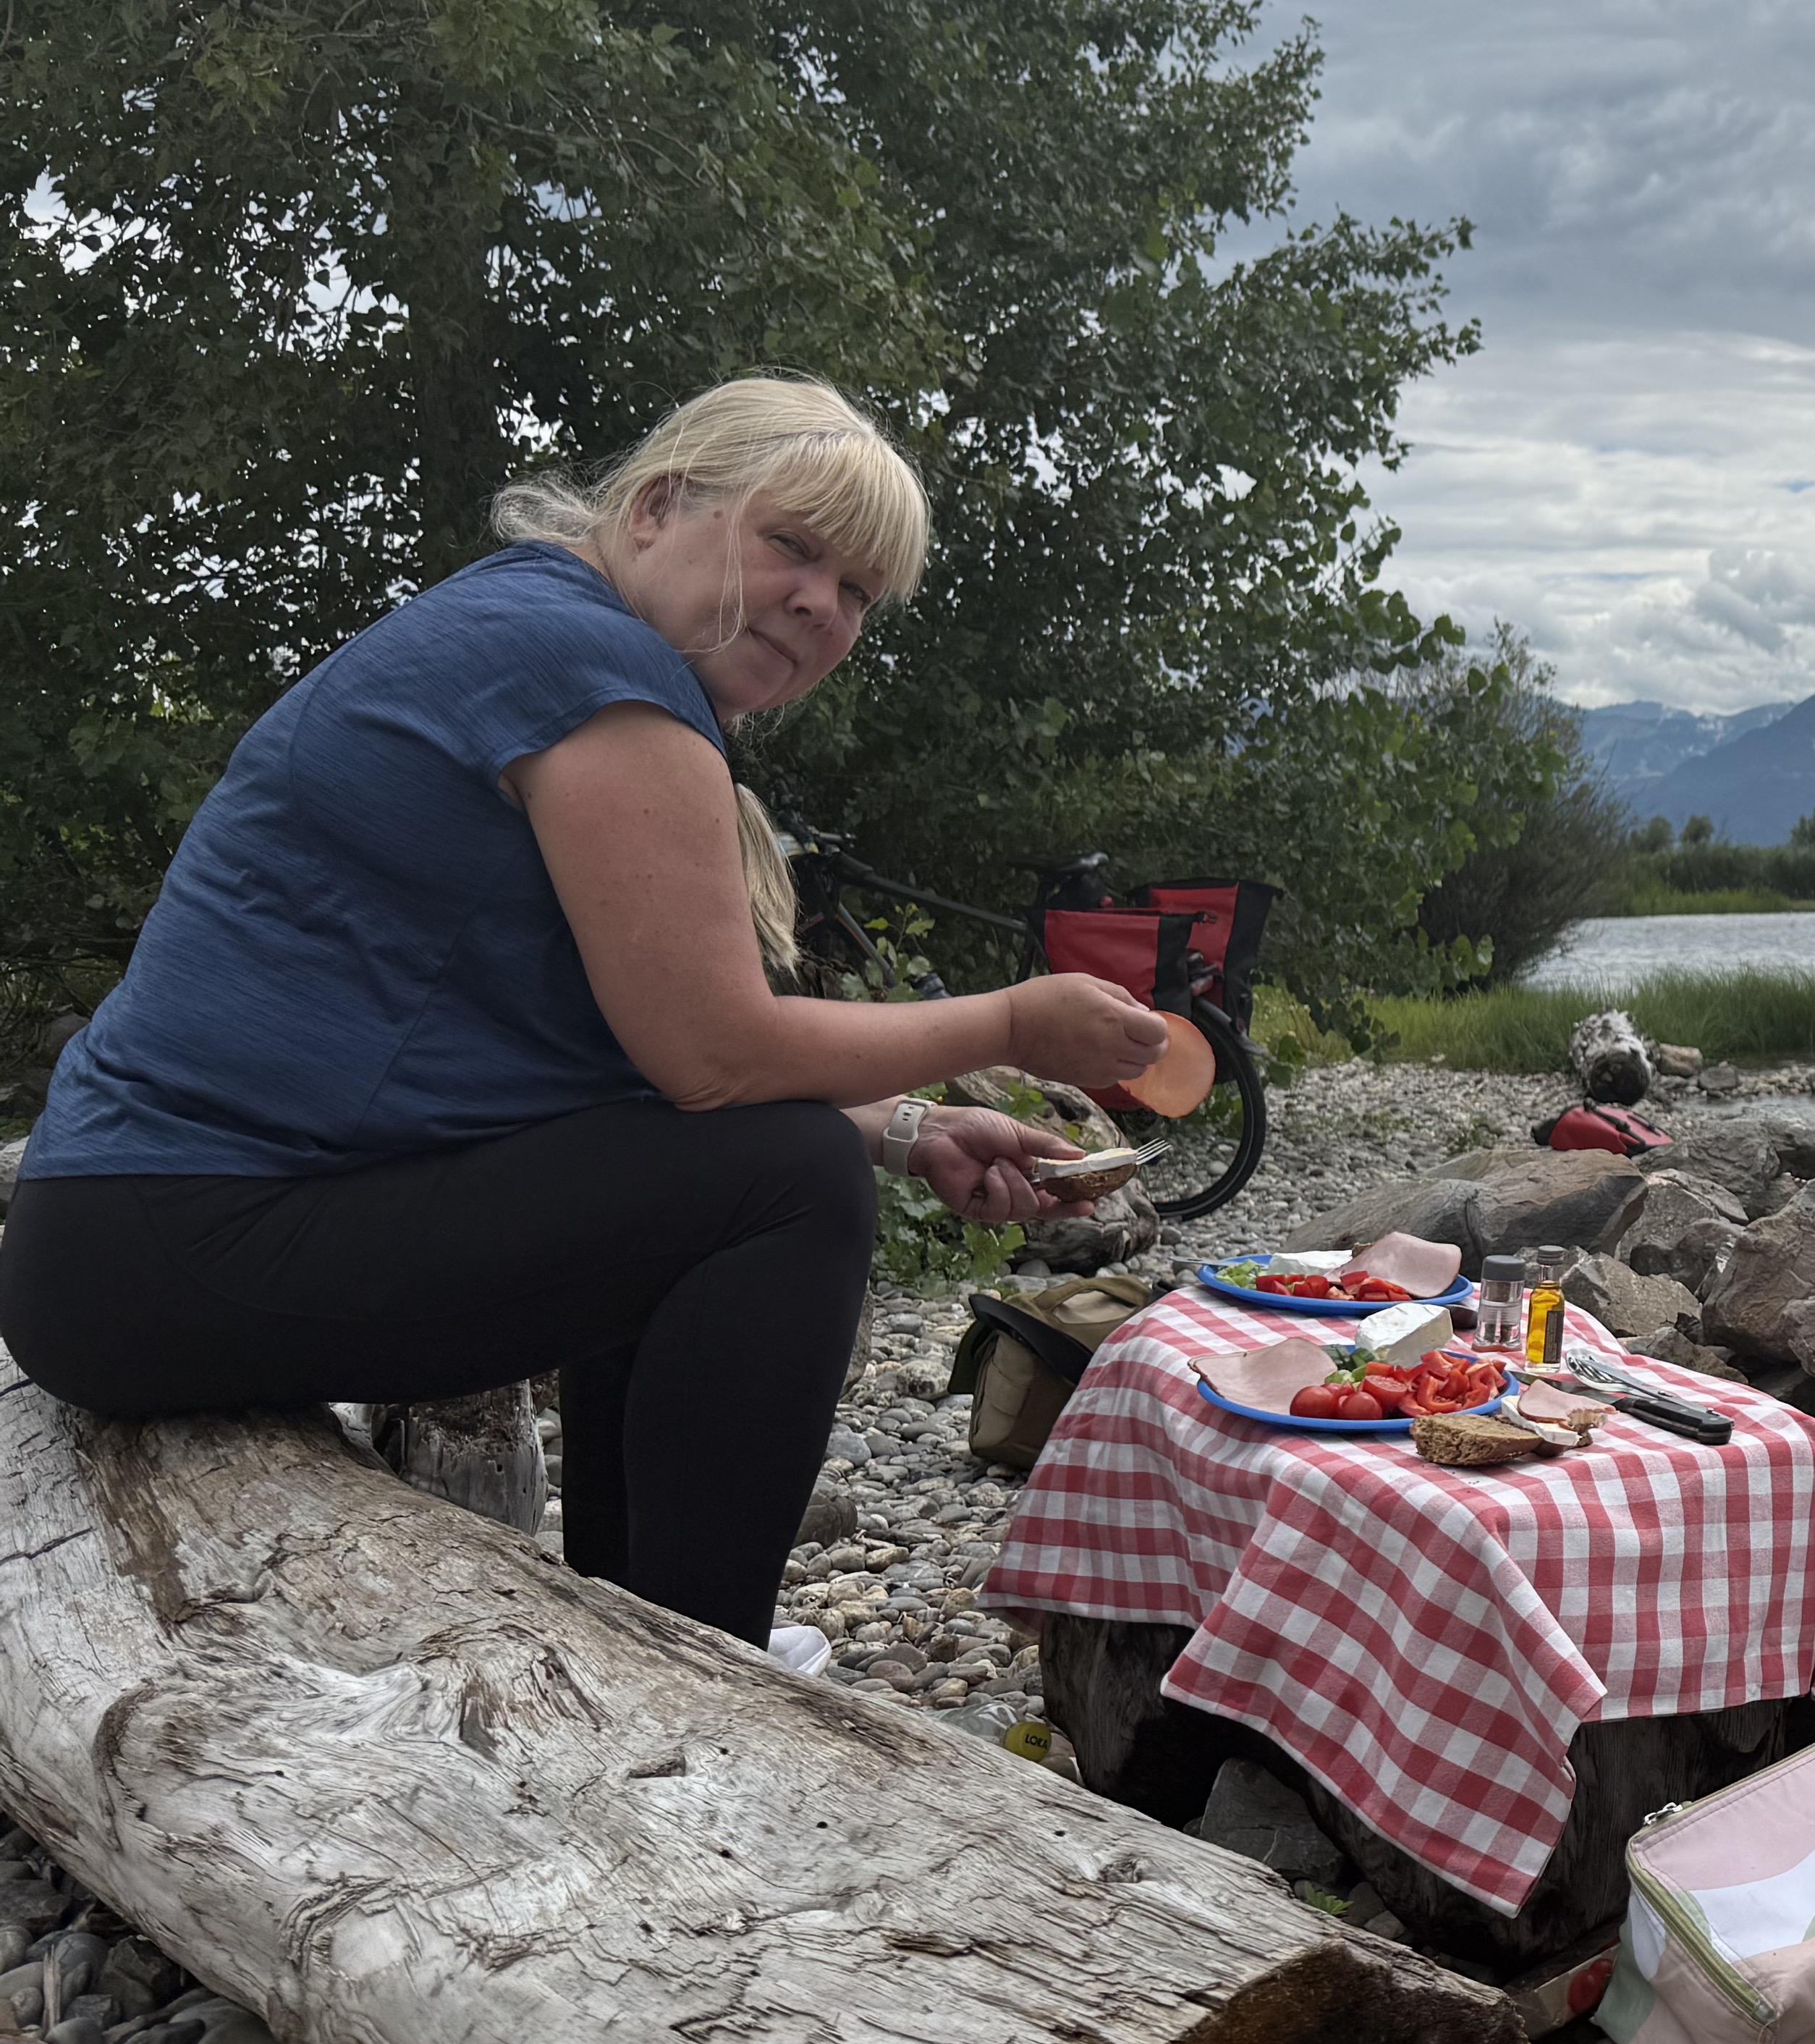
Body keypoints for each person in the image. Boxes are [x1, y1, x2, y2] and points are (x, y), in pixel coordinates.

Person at [0, 375, 1175, 1652]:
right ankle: (712, 1666)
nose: (820, 606)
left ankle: (642, 1630)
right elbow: (715, 1058)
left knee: (746, 1178)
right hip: (175, 1240)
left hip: (129, 1238)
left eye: (858, 595)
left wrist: (904, 1133)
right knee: (780, 1187)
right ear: (661, 508)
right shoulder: (589, 671)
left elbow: (641, 1068)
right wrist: (1006, 1023)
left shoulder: (543, 628)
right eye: (795, 547)